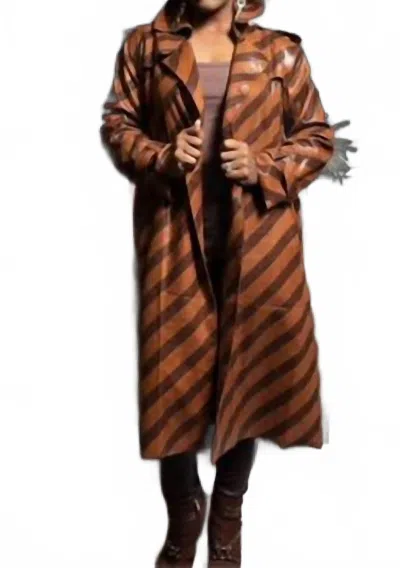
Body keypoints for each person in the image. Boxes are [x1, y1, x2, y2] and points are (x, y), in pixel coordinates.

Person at [100, 0, 356, 565]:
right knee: (171, 376)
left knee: (249, 373)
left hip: (260, 245)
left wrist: (263, 165)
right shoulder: (146, 45)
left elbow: (317, 137)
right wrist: (162, 156)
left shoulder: (279, 51)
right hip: (174, 238)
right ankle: (184, 508)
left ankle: (227, 513)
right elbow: (119, 125)